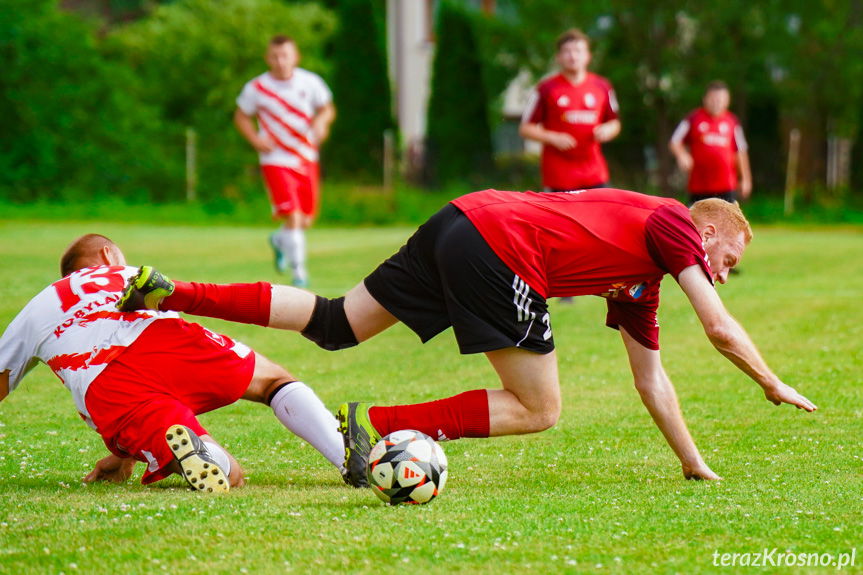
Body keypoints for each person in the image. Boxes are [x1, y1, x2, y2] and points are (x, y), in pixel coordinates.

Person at [118, 189, 817, 488]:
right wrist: (769, 380)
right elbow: (718, 328)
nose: (722, 276)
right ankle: (379, 426)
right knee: (539, 407)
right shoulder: (671, 222)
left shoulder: (640, 279)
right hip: (502, 245)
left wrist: (691, 462)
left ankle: (170, 290)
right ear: (710, 232)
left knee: (335, 323)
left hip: (462, 218)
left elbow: (650, 379)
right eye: (728, 261)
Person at [0, 234, 346, 493]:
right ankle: (348, 459)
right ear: (108, 255)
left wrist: (124, 455)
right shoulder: (126, 273)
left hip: (105, 392)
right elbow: (152, 360)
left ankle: (213, 457)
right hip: (160, 341)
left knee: (233, 477)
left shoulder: (37, 307)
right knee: (272, 382)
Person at [234, 35, 336, 286]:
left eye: (285, 56)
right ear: (268, 58)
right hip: (275, 159)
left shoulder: (310, 82)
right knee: (292, 215)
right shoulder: (257, 87)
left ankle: (280, 240)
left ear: (295, 56)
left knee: (305, 220)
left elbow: (327, 108)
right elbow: (241, 116)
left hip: (306, 156)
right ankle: (299, 272)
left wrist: (321, 123)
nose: (280, 61)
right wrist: (256, 140)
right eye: (275, 56)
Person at [520, 29, 621, 192]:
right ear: (558, 57)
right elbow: (525, 128)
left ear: (588, 56)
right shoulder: (546, 88)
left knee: (600, 216)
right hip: (559, 177)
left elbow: (614, 122)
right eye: (567, 52)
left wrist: (608, 129)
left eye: (578, 51)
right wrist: (553, 137)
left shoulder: (602, 86)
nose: (573, 56)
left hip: (594, 174)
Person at [669, 81, 752, 206]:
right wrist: (682, 155)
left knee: (726, 223)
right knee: (697, 223)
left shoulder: (732, 122)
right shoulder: (693, 118)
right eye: (713, 98)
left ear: (727, 101)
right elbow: (675, 141)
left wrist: (746, 179)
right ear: (705, 99)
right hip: (699, 186)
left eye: (721, 99)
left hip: (726, 186)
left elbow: (740, 152)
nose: (716, 102)